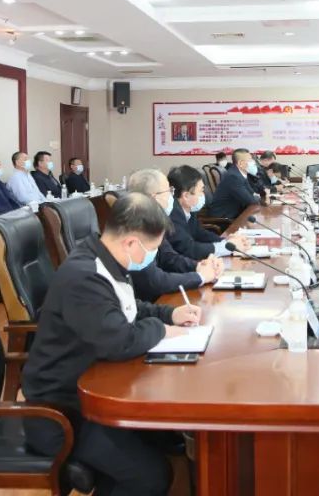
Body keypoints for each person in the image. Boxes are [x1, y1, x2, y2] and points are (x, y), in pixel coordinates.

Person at [22, 192, 201, 496]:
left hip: (96, 389)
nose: (152, 256)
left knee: (168, 439)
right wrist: (161, 329)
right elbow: (120, 341)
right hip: (64, 411)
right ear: (131, 243)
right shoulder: (85, 277)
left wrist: (170, 314)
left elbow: (127, 308)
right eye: (152, 249)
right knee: (150, 477)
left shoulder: (106, 259)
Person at [126, 169, 221, 302]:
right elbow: (156, 281)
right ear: (154, 197)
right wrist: (200, 277)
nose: (173, 196)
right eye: (169, 191)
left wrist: (198, 266)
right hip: (148, 302)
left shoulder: (153, 220)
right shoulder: (134, 227)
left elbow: (169, 257)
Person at [166, 166, 249, 260]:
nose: (203, 195)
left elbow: (200, 233)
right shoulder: (173, 214)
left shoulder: (189, 208)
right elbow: (189, 249)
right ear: (186, 196)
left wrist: (226, 241)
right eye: (201, 191)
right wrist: (225, 248)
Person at [208, 148, 261, 220]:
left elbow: (251, 193)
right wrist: (258, 197)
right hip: (224, 217)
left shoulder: (240, 174)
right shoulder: (233, 176)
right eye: (250, 160)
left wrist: (256, 196)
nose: (253, 162)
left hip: (235, 212)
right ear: (240, 163)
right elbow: (250, 200)